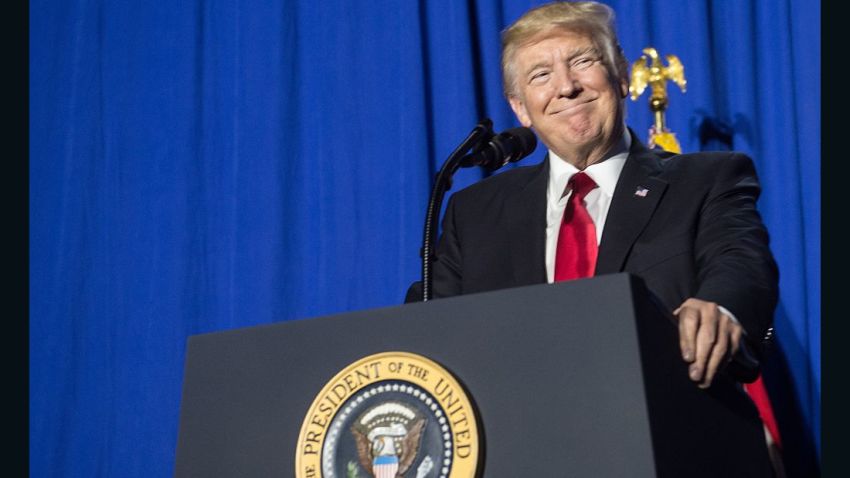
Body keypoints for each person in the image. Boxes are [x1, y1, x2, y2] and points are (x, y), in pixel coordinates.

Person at [411, 2, 779, 476]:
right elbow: (426, 333)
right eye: (540, 74)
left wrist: (721, 308)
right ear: (520, 108)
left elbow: (741, 263)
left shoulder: (707, 179)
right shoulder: (475, 213)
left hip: (671, 450)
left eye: (583, 61)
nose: (566, 86)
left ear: (621, 76)